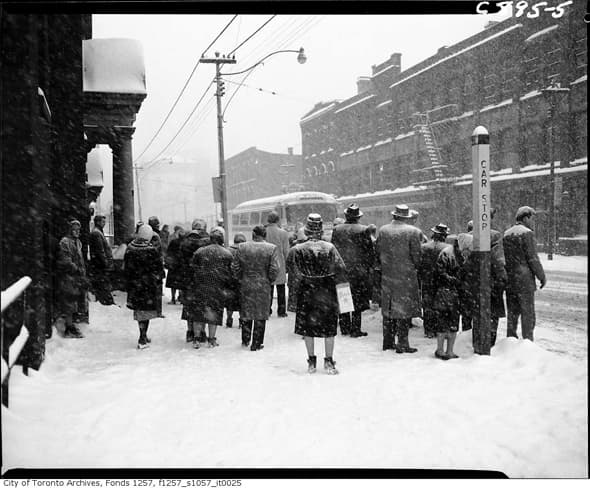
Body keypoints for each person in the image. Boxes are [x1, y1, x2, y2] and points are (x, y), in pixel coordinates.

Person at [290, 214, 347, 374]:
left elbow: (293, 271)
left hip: (307, 290)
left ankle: (311, 361)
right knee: (329, 327)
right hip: (327, 290)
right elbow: (341, 268)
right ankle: (329, 361)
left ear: (307, 231)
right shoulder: (330, 248)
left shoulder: (297, 249)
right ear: (321, 231)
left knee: (308, 327)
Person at [375, 204, 422, 353]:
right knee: (404, 310)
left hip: (387, 276)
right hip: (406, 277)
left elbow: (378, 252)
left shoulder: (383, 231)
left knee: (388, 309)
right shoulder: (413, 232)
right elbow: (417, 256)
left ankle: (387, 341)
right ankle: (402, 342)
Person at [231, 225, 280, 351]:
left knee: (247, 312)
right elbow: (275, 268)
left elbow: (235, 266)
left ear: (253, 235)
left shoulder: (242, 247)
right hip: (263, 284)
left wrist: (240, 278)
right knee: (260, 313)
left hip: (246, 283)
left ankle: (246, 339)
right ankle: (257, 343)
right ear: (264, 235)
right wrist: (269, 279)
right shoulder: (271, 248)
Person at [331, 203, 375, 337]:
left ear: (346, 215)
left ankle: (345, 327)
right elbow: (369, 251)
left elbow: (333, 249)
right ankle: (356, 329)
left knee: (344, 297)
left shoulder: (337, 229)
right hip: (359, 271)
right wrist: (367, 267)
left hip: (341, 270)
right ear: (358, 217)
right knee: (357, 300)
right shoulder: (364, 229)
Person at [502, 206, 546, 341]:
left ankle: (511, 339)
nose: (533, 222)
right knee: (527, 314)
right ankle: (527, 342)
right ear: (526, 217)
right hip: (524, 280)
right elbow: (532, 258)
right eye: (533, 218)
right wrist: (541, 276)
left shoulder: (507, 234)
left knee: (512, 314)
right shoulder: (527, 233)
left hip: (510, 280)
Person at [188, 227, 234, 349]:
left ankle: (196, 339)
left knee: (198, 315)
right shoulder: (227, 254)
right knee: (213, 314)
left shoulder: (200, 252)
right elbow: (230, 273)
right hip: (217, 287)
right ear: (221, 240)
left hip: (200, 286)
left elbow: (192, 268)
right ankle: (211, 339)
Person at [123, 224, 165, 349]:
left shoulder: (130, 248)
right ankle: (142, 337)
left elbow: (127, 268)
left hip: (135, 286)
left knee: (139, 311)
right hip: (148, 286)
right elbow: (158, 268)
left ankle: (143, 334)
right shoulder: (151, 250)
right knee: (146, 312)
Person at [432, 235, 463, 360]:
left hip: (444, 292)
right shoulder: (450, 255)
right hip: (450, 293)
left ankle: (442, 350)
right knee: (450, 322)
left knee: (445, 322)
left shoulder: (446, 254)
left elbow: (438, 274)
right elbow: (440, 274)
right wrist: (456, 281)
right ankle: (447, 350)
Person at [179, 219, 210, 343]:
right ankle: (201, 331)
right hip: (202, 279)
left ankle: (190, 331)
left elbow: (180, 261)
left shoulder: (184, 243)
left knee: (188, 305)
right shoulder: (206, 243)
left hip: (187, 279)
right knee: (203, 305)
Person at [56, 219, 87, 338]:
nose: (77, 231)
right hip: (68, 276)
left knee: (75, 301)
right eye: (75, 229)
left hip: (76, 277)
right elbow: (65, 259)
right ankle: (69, 327)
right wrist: (75, 268)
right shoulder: (65, 242)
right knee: (69, 302)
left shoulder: (78, 242)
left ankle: (72, 324)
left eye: (78, 229)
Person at [419, 223, 451, 339]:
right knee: (441, 305)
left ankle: (429, 329)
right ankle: (440, 328)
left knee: (427, 305)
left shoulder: (424, 247)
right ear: (444, 235)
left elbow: (419, 264)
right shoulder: (447, 248)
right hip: (442, 280)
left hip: (427, 279)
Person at [265, 211, 290, 317]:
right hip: (279, 262)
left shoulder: (264, 232)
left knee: (268, 288)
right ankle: (281, 310)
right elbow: (286, 251)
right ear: (277, 220)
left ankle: (267, 309)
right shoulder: (283, 233)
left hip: (267, 262)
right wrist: (287, 263)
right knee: (281, 288)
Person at [88, 214, 115, 306]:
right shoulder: (96, 233)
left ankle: (106, 301)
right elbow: (100, 251)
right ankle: (106, 302)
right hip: (100, 265)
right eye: (103, 221)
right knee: (103, 284)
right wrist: (105, 263)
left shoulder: (98, 232)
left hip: (99, 264)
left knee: (103, 284)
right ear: (98, 222)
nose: (104, 223)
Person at [226, 233, 246, 328]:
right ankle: (241, 320)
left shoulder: (228, 250)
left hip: (230, 280)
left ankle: (229, 319)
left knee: (230, 301)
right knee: (242, 301)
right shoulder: (245, 250)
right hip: (242, 280)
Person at [147, 216, 165, 317]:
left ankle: (154, 309)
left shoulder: (149, 234)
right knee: (157, 290)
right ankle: (157, 311)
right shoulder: (155, 235)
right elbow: (156, 251)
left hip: (152, 267)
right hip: (156, 267)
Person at [164, 226, 185, 305]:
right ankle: (181, 297)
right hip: (182, 265)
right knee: (182, 283)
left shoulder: (173, 242)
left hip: (174, 265)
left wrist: (168, 261)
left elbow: (169, 252)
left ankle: (173, 298)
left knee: (173, 283)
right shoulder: (186, 243)